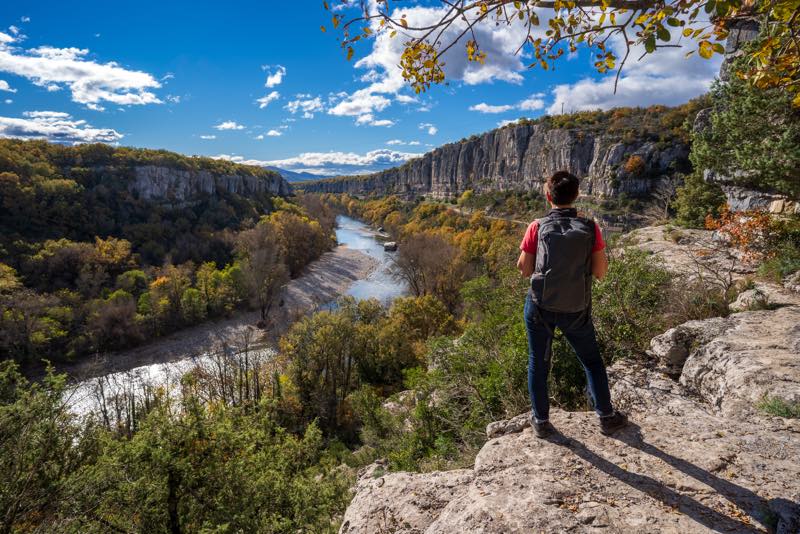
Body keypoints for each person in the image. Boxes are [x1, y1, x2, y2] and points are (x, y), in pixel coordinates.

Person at [516, 170, 627, 438]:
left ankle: (541, 422)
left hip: (540, 307)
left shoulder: (537, 226)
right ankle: (606, 416)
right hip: (576, 308)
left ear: (547, 196)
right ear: (577, 195)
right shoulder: (590, 227)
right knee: (591, 361)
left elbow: (523, 268)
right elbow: (601, 272)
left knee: (538, 362)